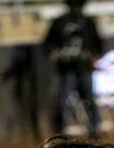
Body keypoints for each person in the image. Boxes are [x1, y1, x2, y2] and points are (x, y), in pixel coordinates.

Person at [43, 0, 104, 139]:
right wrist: (54, 53)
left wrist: (94, 56)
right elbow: (47, 45)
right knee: (62, 102)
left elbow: (98, 43)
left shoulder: (88, 22)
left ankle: (94, 133)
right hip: (66, 70)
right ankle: (59, 136)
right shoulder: (59, 22)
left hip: (83, 68)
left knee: (89, 101)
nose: (75, 8)